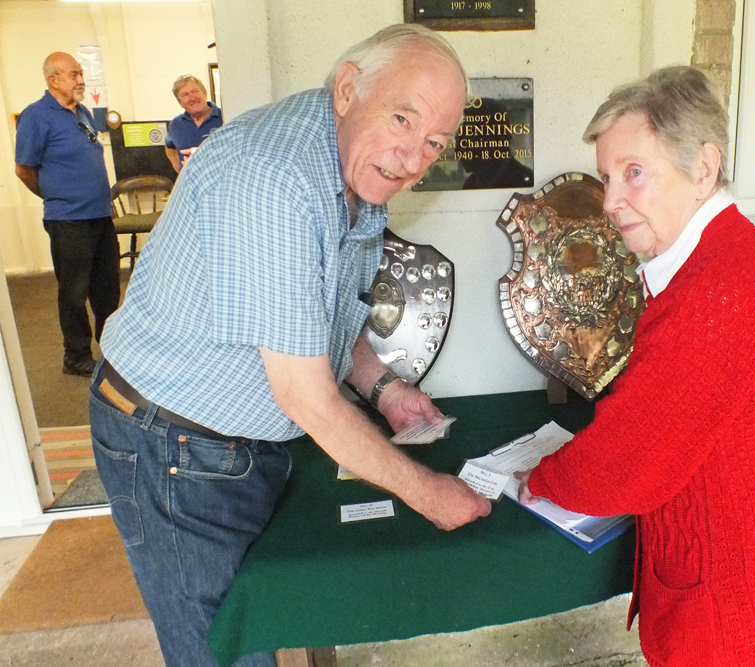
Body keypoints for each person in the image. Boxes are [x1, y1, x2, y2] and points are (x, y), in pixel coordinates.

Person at [89, 25, 491, 667]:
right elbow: (306, 397)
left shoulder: (359, 168)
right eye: (402, 118)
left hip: (234, 444)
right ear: (349, 88)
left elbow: (328, 311)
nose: (414, 157)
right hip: (173, 443)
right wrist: (431, 495)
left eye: (434, 142)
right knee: (225, 651)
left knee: (265, 625)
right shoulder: (275, 178)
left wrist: (385, 389)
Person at [517, 66, 755, 667]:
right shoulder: (724, 258)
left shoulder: (717, 290)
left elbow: (627, 463)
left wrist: (536, 479)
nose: (612, 200)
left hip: (746, 621)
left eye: (634, 174)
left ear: (702, 168)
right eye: (606, 177)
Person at [14, 52, 120, 377]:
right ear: (53, 80)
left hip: (100, 215)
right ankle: (76, 356)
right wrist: (57, 197)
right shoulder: (36, 116)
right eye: (73, 74)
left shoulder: (83, 111)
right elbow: (24, 170)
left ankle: (113, 351)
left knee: (107, 289)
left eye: (80, 73)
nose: (80, 79)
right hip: (68, 220)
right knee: (74, 291)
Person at [164, 74, 223, 172]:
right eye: (185, 95)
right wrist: (177, 165)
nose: (192, 98)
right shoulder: (176, 124)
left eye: (195, 91)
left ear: (205, 93)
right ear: (180, 102)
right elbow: (169, 146)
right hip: (190, 184)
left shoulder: (225, 117)